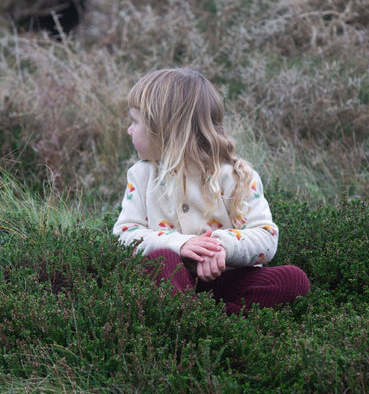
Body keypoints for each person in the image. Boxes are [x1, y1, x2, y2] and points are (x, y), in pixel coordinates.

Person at [113, 68, 309, 315]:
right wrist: (182, 244)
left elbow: (266, 237)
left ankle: (204, 318)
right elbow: (124, 235)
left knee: (293, 279)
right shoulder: (141, 175)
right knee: (161, 261)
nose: (129, 130)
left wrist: (221, 248)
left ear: (163, 128)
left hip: (228, 278)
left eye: (135, 121)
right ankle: (207, 319)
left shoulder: (238, 175)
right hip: (173, 279)